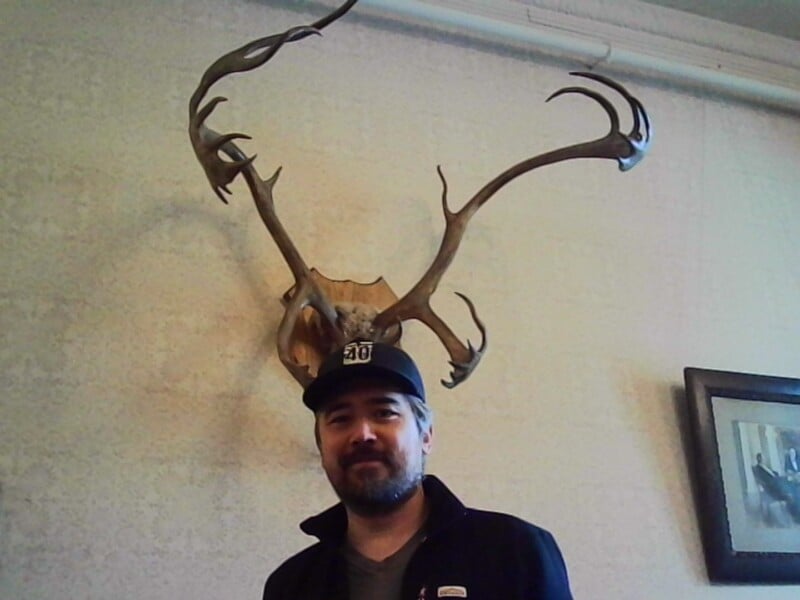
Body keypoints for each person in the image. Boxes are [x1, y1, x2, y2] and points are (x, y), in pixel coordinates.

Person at [263, 340, 573, 599]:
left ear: (425, 436)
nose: (363, 434)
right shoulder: (290, 586)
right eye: (340, 419)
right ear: (321, 446)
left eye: (384, 412)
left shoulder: (515, 553)